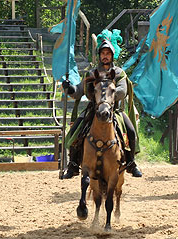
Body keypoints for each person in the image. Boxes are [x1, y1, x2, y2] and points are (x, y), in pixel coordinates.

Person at [60, 30, 142, 179]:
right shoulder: (91, 73)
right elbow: (79, 91)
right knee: (74, 132)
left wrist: (107, 98)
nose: (105, 56)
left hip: (114, 110)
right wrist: (69, 88)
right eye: (103, 53)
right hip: (94, 110)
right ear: (99, 55)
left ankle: (131, 163)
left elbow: (122, 91)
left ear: (112, 55)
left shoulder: (119, 73)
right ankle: (73, 164)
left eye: (108, 53)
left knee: (130, 131)